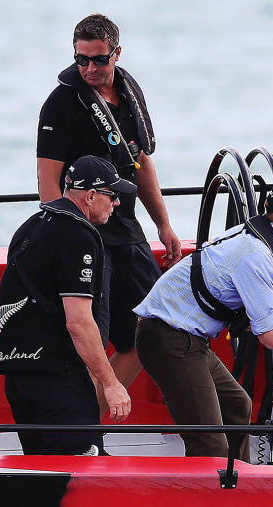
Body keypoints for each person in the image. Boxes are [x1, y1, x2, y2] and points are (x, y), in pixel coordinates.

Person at [36, 14, 182, 416]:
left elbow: (142, 162)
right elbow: (48, 177)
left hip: (127, 229)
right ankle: (81, 426)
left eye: (98, 60)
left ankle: (88, 418)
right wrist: (61, 234)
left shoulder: (130, 92)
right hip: (85, 233)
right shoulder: (62, 101)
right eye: (81, 60)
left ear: (116, 54)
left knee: (151, 329)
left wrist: (163, 224)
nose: (89, 69)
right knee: (89, 337)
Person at [133, 179, 273, 459]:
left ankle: (239, 485)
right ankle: (215, 491)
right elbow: (270, 338)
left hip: (181, 335)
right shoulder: (255, 256)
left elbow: (264, 318)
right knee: (210, 445)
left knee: (236, 405)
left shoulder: (256, 238)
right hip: (169, 338)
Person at [0, 155, 135, 455]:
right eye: (113, 194)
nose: (117, 203)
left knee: (44, 471)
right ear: (91, 195)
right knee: (83, 476)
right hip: (57, 381)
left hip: (18, 377)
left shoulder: (31, 225)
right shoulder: (77, 235)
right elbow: (78, 321)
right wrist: (111, 384)